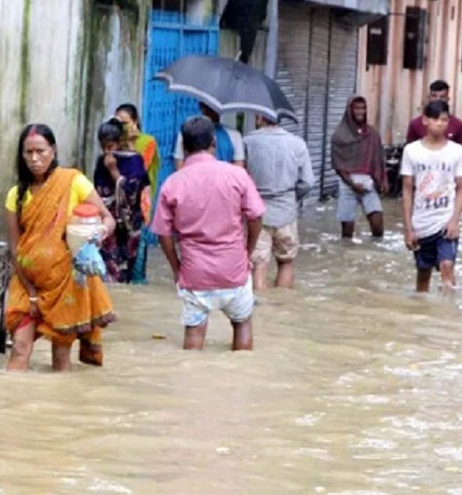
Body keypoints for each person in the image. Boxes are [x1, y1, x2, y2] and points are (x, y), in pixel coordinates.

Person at [4, 124, 117, 372]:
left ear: (53, 151)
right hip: (27, 284)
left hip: (65, 282)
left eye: (41, 151)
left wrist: (98, 233)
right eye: (28, 152)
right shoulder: (16, 195)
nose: (35, 159)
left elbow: (108, 219)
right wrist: (31, 291)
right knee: (20, 347)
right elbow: (14, 249)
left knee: (61, 354)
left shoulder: (73, 182)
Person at [152, 115, 265, 351]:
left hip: (194, 273)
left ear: (183, 146)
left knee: (193, 337)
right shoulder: (237, 175)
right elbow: (256, 216)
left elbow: (163, 233)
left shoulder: (173, 183)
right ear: (213, 143)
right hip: (234, 270)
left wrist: (177, 268)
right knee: (242, 324)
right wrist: (247, 252)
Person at [401, 101, 462, 293]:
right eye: (436, 119)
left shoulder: (457, 151)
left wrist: (455, 220)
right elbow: (407, 189)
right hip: (421, 224)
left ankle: (448, 315)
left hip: (445, 223)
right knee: (423, 278)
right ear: (425, 120)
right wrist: (408, 229)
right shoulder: (411, 151)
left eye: (444, 120)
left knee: (447, 266)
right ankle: (423, 316)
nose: (440, 123)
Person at [244, 114, 315, 290]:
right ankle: (283, 307)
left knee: (259, 264)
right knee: (286, 261)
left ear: (259, 117)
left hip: (257, 213)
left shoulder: (247, 142)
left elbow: (240, 178)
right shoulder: (297, 143)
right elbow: (308, 182)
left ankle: (263, 312)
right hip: (287, 212)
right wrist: (291, 198)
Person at [93, 118, 151, 284]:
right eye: (103, 146)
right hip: (108, 224)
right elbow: (97, 192)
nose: (106, 151)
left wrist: (114, 171)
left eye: (110, 146)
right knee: (109, 271)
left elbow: (133, 192)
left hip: (130, 224)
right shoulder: (101, 162)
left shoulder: (134, 161)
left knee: (134, 274)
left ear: (119, 143)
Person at [114, 103, 160, 284]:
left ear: (134, 122)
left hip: (140, 200)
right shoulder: (114, 141)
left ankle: (138, 279)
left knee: (138, 239)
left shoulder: (148, 142)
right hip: (120, 200)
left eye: (124, 123)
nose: (122, 128)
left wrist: (132, 146)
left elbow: (141, 170)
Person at [331, 95, 387, 239]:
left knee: (378, 227)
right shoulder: (339, 135)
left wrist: (383, 180)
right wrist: (352, 184)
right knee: (347, 232)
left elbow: (378, 159)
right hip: (347, 184)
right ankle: (345, 257)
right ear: (350, 110)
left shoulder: (372, 134)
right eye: (357, 108)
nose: (360, 111)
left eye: (363, 108)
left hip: (368, 184)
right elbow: (338, 165)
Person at [173, 102, 244, 170]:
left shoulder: (187, 132)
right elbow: (238, 167)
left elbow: (180, 167)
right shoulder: (234, 135)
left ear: (201, 107)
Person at [405, 80, 462, 146]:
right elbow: (411, 149)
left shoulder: (457, 125)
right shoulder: (415, 124)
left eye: (442, 96)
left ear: (448, 99)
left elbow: (460, 150)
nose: (438, 99)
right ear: (429, 98)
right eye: (434, 96)